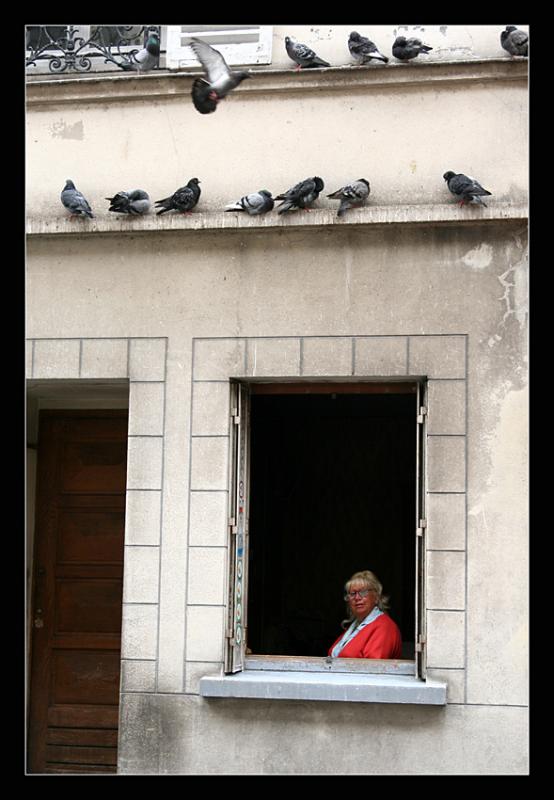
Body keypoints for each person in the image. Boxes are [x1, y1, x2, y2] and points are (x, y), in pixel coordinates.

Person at [328, 570, 402, 659]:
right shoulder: (355, 626)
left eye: (363, 592)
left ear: (376, 597)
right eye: (352, 593)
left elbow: (373, 669)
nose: (357, 598)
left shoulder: (384, 627)